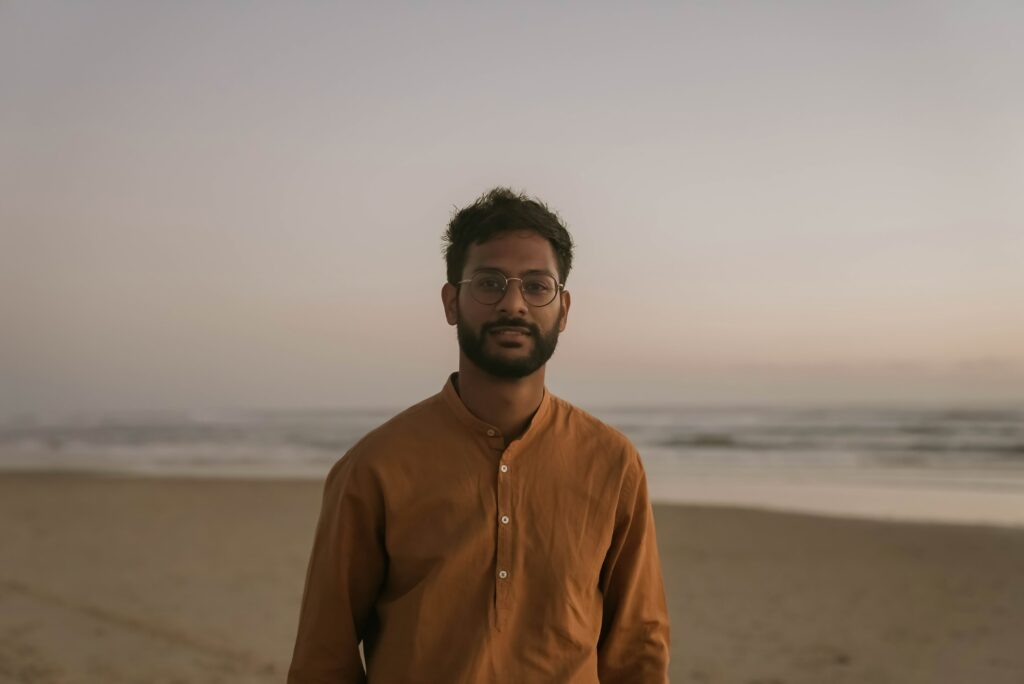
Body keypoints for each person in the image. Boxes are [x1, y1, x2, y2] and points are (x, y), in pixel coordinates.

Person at [287, 187, 670, 683]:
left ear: (564, 309)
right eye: (489, 283)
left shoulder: (612, 462)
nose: (513, 303)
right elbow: (324, 659)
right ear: (451, 301)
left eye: (537, 286)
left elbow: (637, 648)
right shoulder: (375, 466)